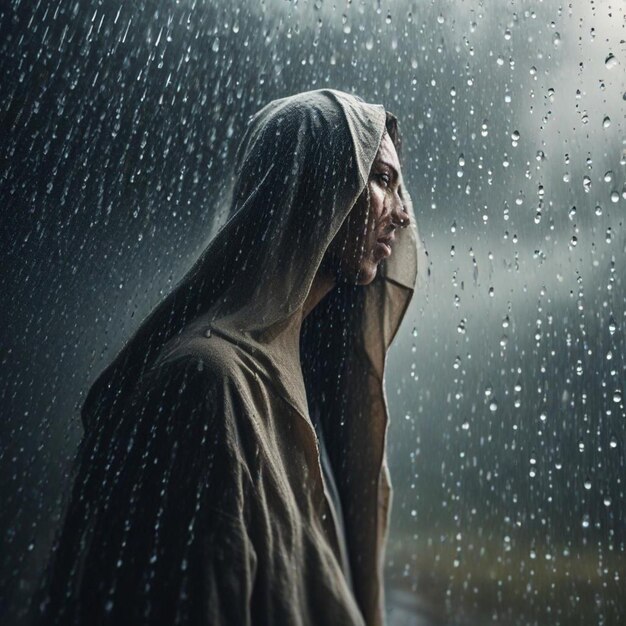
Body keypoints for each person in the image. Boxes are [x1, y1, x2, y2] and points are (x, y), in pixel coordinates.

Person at [33, 89, 424, 626]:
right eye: (380, 180)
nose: (402, 214)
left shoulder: (297, 385)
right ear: (313, 184)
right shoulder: (206, 386)